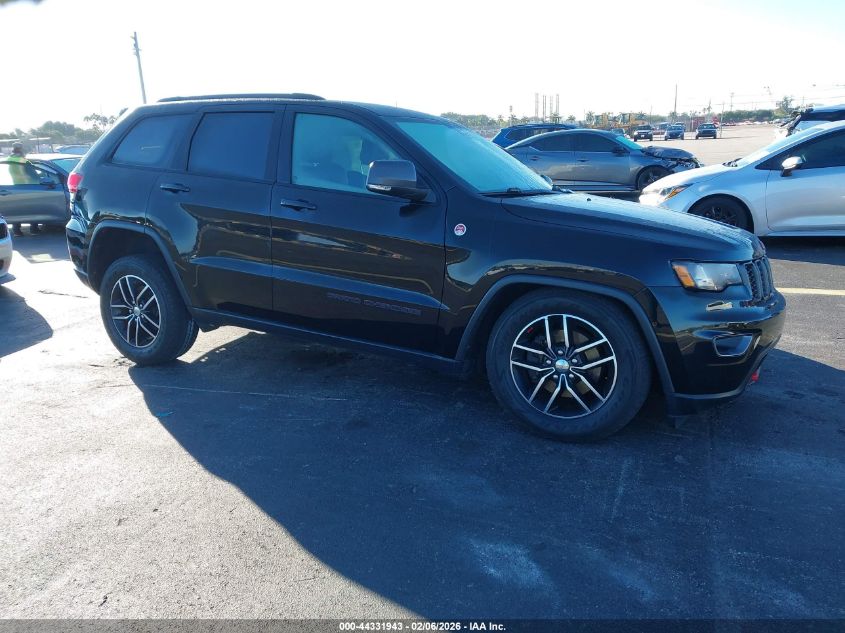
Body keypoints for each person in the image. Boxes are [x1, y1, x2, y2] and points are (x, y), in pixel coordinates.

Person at [7, 143, 40, 236]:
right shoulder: (24, 161)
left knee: (17, 209)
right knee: (32, 209)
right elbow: (34, 175)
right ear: (22, 150)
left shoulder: (9, 160)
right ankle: (34, 229)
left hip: (15, 188)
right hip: (29, 187)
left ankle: (17, 231)